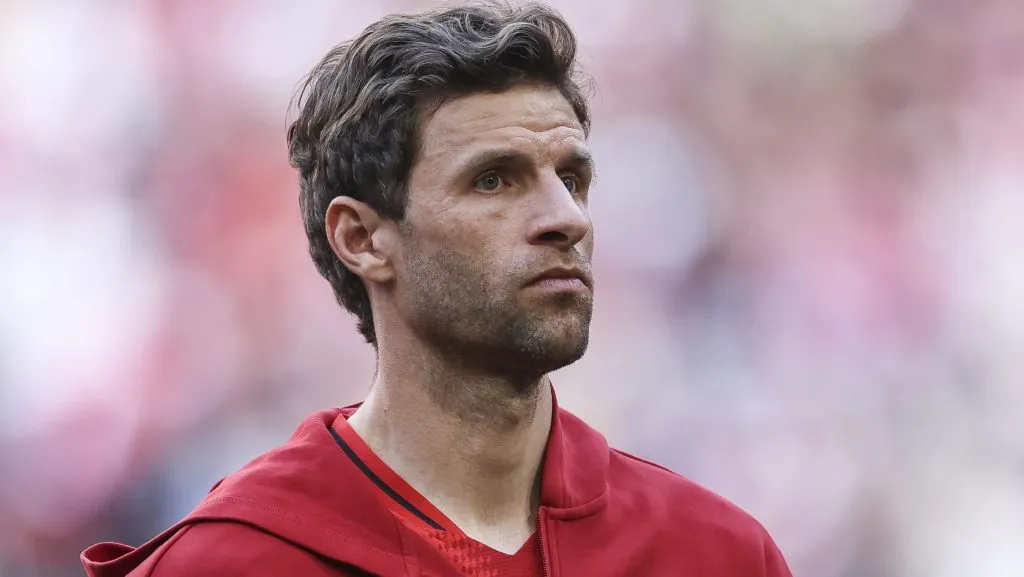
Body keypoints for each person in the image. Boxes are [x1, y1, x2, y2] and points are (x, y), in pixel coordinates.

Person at [82, 2, 792, 576]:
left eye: (572, 179)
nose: (567, 218)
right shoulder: (233, 563)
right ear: (362, 238)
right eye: (494, 180)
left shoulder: (715, 554)